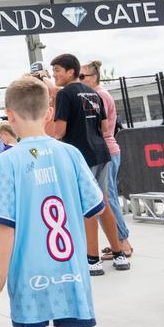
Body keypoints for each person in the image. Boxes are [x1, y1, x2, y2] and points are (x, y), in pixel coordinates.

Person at [0, 75, 105, 327]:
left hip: (29, 270)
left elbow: (5, 225)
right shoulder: (70, 154)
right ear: (49, 111)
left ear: (9, 115)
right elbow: (94, 206)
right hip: (69, 268)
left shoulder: (6, 162)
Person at [49, 53, 127, 275]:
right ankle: (119, 253)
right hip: (101, 153)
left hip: (81, 156)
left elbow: (59, 131)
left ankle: (92, 259)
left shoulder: (64, 95)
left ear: (70, 71)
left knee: (88, 207)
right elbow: (104, 127)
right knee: (103, 203)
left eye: (57, 70)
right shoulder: (93, 92)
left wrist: (54, 111)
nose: (54, 75)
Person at [80, 60, 135, 261]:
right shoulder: (98, 94)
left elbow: (98, 127)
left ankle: (123, 242)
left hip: (107, 151)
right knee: (106, 197)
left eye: (82, 77)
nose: (79, 81)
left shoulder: (99, 95)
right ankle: (118, 241)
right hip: (106, 150)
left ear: (93, 78)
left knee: (108, 199)